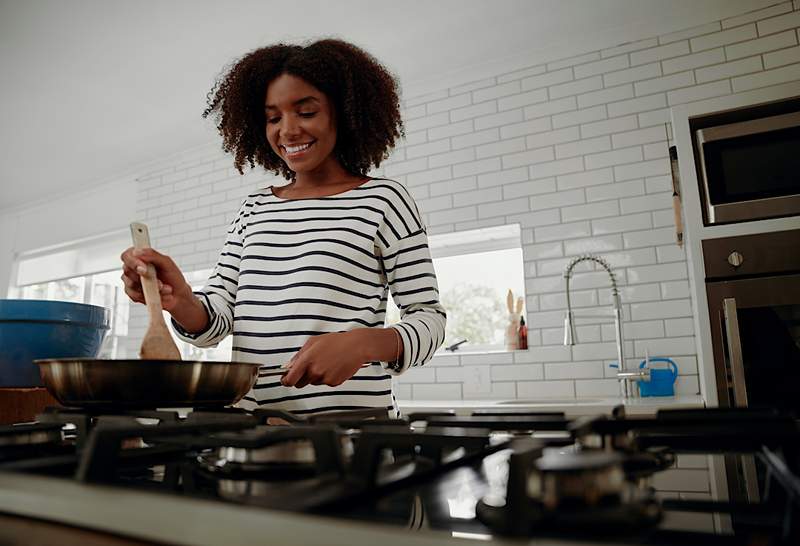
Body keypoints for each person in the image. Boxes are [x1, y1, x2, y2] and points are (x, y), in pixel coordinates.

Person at [120, 39, 446, 416]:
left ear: (344, 113)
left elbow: (429, 319)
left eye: (306, 112)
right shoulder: (254, 208)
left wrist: (362, 344)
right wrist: (178, 300)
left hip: (351, 431)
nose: (287, 131)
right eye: (273, 118)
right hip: (253, 431)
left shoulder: (384, 200)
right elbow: (216, 322)